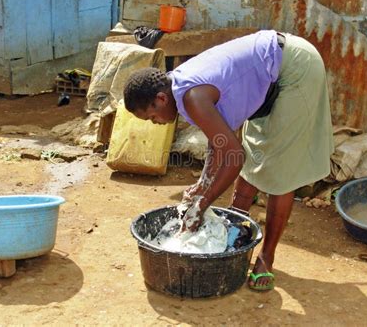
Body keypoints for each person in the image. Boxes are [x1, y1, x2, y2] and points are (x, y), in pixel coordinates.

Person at [123, 30, 334, 291]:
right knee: (256, 148)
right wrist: (203, 184)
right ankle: (237, 237)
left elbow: (234, 157)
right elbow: (220, 141)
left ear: (160, 99)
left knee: (280, 169)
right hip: (270, 73)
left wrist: (203, 203)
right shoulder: (178, 89)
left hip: (295, 68)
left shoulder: (191, 98)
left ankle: (266, 258)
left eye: (152, 117)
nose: (155, 123)